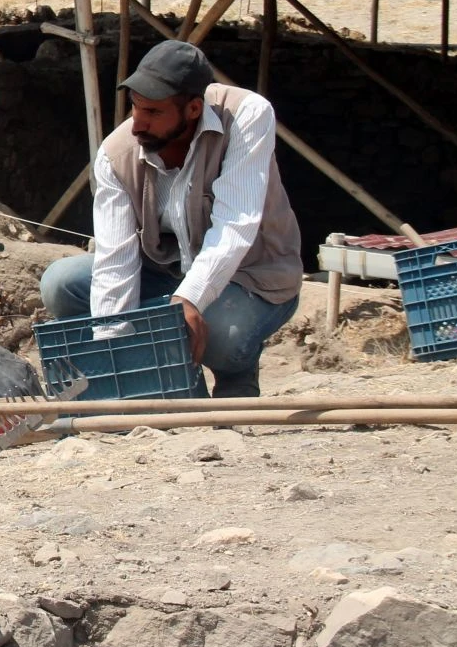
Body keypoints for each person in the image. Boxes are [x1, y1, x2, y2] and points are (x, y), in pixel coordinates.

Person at [39, 40, 303, 398]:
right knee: (62, 282)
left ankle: (237, 374)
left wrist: (189, 300)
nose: (137, 123)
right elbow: (115, 259)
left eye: (152, 112)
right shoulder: (115, 155)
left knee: (224, 339)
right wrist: (114, 347)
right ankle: (178, 386)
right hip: (165, 274)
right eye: (135, 107)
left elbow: (235, 224)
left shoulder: (247, 115)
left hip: (251, 276)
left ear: (193, 109)